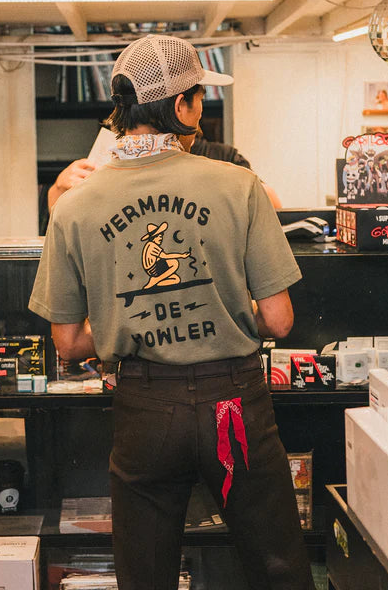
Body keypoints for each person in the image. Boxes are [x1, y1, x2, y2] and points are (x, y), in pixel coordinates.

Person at [29, 34, 315, 590]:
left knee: (146, 574)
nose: (201, 106)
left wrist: (135, 323)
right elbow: (279, 320)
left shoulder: (74, 206)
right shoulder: (239, 184)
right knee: (278, 565)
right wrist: (220, 315)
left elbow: (67, 344)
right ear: (181, 106)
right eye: (199, 95)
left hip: (144, 410)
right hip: (232, 407)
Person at [47, 133, 283, 212]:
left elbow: (272, 206)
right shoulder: (115, 160)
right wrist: (59, 188)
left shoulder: (221, 156)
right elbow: (60, 226)